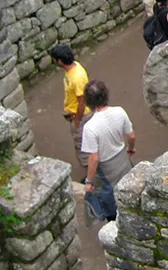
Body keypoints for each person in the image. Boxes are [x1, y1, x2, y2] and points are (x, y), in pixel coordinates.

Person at [80, 80, 134, 224]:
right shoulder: (120, 111)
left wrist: (89, 181)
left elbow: (94, 158)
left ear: (88, 102)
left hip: (106, 168)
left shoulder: (90, 127)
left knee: (110, 198)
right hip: (123, 159)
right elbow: (131, 136)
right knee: (130, 186)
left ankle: (115, 222)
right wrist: (130, 148)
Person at [51, 44, 90, 170]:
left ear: (60, 61)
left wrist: (77, 120)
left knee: (81, 144)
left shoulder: (76, 78)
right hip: (76, 113)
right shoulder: (74, 67)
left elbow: (82, 101)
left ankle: (90, 170)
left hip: (81, 115)